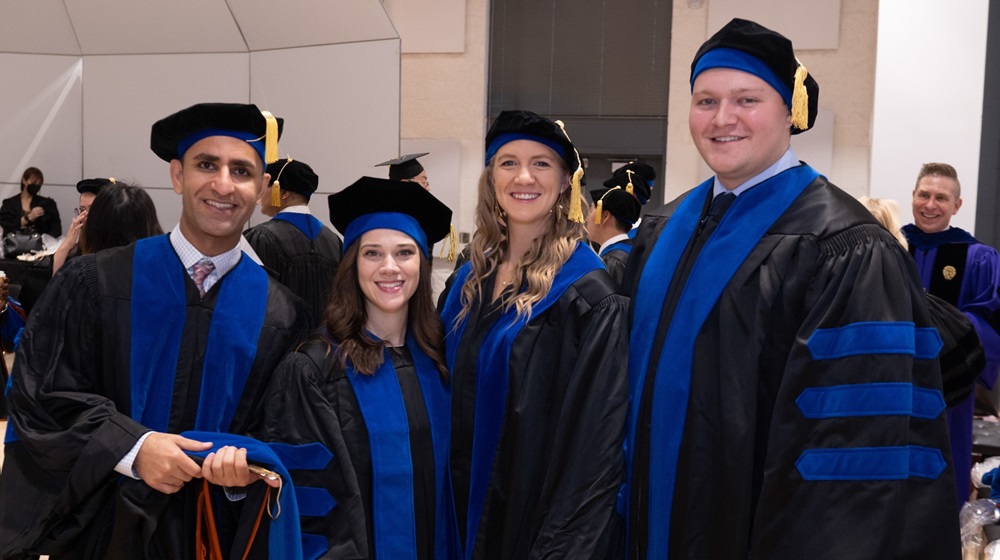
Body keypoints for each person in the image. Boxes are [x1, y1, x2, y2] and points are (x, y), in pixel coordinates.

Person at [621, 18, 960, 558]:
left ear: (789, 111)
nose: (723, 118)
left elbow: (855, 456)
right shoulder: (665, 231)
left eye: (747, 99)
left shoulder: (846, 246)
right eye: (705, 101)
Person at [0, 102, 311, 559]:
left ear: (262, 187)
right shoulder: (98, 282)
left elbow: (288, 430)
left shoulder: (283, 314)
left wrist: (251, 469)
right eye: (207, 164)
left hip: (217, 533)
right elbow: (42, 393)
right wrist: (133, 447)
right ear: (177, 175)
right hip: (105, 527)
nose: (223, 184)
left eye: (242, 170)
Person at [439, 110, 628, 559]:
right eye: (508, 162)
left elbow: (595, 449)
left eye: (541, 163)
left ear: (566, 181)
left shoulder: (587, 294)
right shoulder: (466, 282)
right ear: (491, 177)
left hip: (527, 527)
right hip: (450, 511)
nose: (524, 176)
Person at [258, 176, 456, 559]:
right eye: (372, 254)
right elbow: (306, 505)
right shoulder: (314, 370)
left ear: (422, 263)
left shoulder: (442, 359)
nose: (389, 268)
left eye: (404, 252)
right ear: (352, 264)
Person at [902, 162, 1000, 505]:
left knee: (943, 467)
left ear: (957, 205)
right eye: (924, 195)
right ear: (913, 197)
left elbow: (989, 319)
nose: (930, 205)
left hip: (949, 385)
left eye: (941, 198)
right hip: (892, 378)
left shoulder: (978, 258)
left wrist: (939, 333)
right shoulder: (890, 247)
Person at [244, 158, 342, 328]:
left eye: (265, 186)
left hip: (278, 349)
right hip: (324, 348)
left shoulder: (262, 237)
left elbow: (249, 301)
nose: (259, 194)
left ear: (282, 193)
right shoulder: (334, 241)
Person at [52, 178, 117, 275]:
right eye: (82, 209)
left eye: (92, 208)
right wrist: (65, 246)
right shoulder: (81, 245)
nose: (85, 216)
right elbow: (57, 285)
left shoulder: (118, 246)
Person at [586, 184, 640, 288]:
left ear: (605, 216)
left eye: (590, 212)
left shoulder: (614, 261)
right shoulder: (629, 252)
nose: (587, 219)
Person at [0, 166, 61, 238]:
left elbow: (55, 228)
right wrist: (27, 218)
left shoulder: (47, 204)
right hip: (14, 245)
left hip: (41, 246)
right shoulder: (9, 203)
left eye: (39, 184)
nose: (36, 186)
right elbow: (6, 224)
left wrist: (46, 242)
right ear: (24, 180)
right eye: (33, 182)